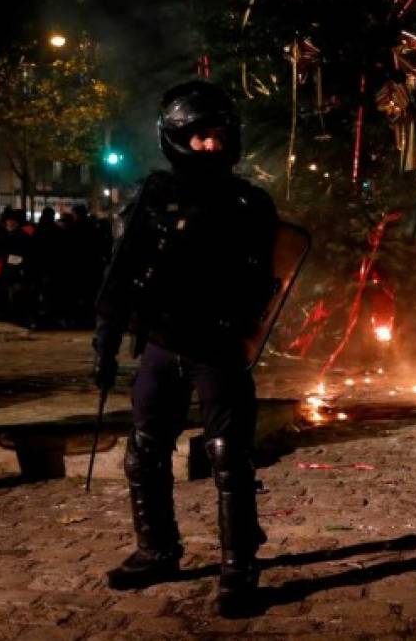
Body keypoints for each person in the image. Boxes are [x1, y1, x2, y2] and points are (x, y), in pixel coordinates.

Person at [92, 81, 279, 617]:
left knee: (229, 458)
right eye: (198, 137)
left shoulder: (250, 202)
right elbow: (123, 269)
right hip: (161, 341)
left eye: (218, 136)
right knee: (145, 450)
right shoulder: (154, 196)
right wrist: (106, 341)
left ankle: (239, 567)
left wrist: (243, 326)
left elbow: (266, 280)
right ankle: (157, 549)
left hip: (217, 346)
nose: (210, 146)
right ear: (177, 139)